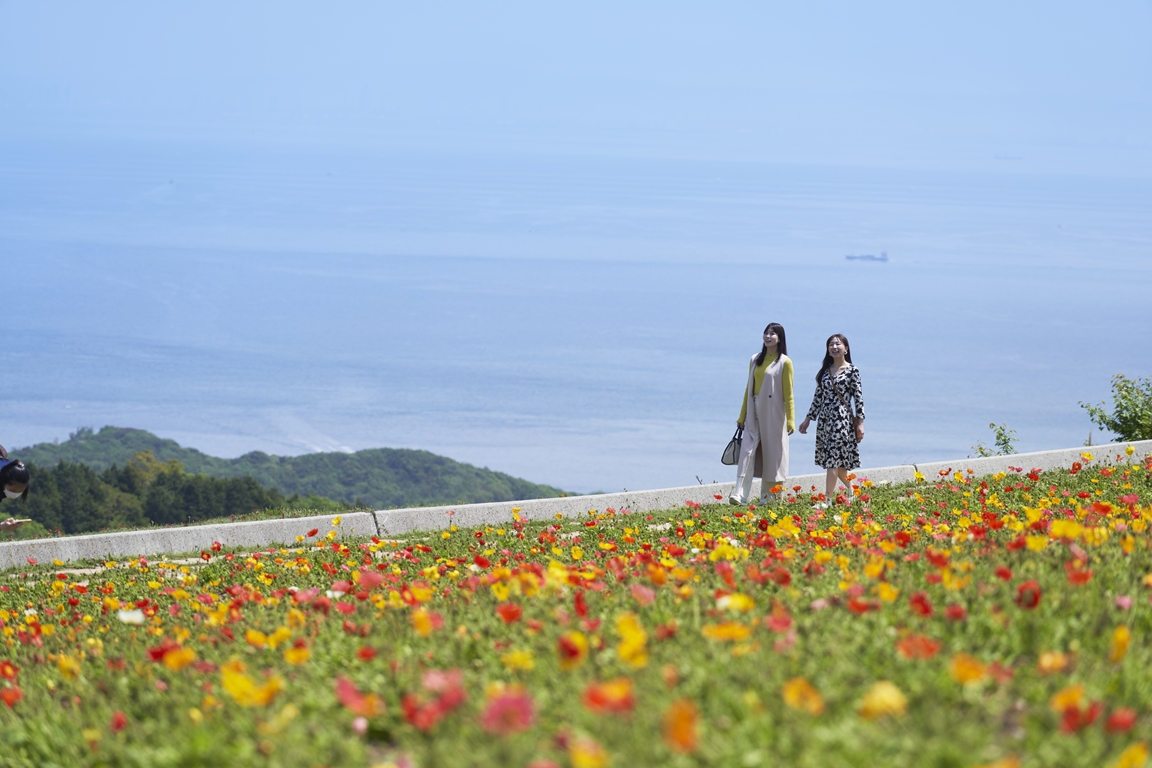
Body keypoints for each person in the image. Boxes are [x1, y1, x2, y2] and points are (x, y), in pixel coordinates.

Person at [730, 323, 794, 506]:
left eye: (772, 334)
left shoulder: (785, 362)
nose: (767, 336)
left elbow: (789, 394)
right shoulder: (755, 359)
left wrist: (791, 420)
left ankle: (770, 497)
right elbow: (747, 389)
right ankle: (739, 494)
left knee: (773, 453)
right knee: (747, 451)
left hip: (774, 412)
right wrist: (741, 416)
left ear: (779, 338)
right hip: (754, 408)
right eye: (766, 333)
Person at [798, 334, 865, 501]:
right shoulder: (825, 372)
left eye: (838, 344)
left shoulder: (852, 370)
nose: (835, 347)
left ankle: (827, 500)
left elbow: (858, 399)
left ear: (846, 348)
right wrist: (808, 419)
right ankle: (853, 491)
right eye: (831, 345)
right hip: (825, 421)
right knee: (838, 464)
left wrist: (860, 423)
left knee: (832, 462)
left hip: (841, 421)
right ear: (828, 350)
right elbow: (818, 397)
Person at [0, 444, 30, 531]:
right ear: (4, 481)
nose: (15, 493)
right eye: (13, 490)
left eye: (20, 491)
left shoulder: (13, 468)